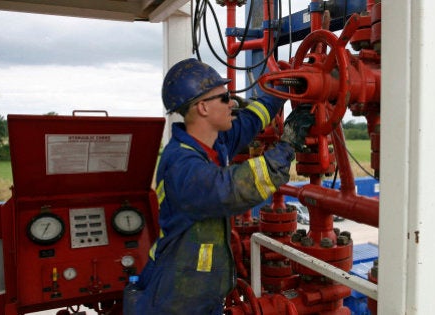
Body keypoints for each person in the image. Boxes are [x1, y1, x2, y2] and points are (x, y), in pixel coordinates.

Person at [129, 58, 313, 314]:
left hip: (201, 293)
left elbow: (250, 120)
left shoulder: (215, 144)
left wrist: (281, 90)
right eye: (225, 98)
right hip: (175, 298)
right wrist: (287, 146)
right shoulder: (181, 163)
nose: (233, 104)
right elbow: (231, 189)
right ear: (203, 108)